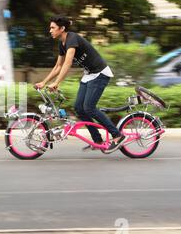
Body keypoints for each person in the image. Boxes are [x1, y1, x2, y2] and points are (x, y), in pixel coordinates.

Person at [35, 15, 126, 153]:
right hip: (89, 75)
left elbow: (68, 63)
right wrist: (44, 82)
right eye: (50, 28)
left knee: (89, 108)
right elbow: (58, 66)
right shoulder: (62, 43)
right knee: (78, 108)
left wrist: (57, 82)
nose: (50, 30)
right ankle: (98, 140)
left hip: (100, 74)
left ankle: (117, 135)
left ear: (62, 28)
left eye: (53, 28)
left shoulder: (72, 38)